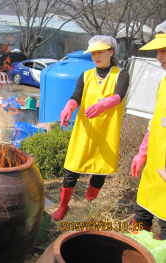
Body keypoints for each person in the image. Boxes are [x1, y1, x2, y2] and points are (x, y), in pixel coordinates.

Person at [53, 35, 129, 221]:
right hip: (84, 131)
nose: (96, 56)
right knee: (71, 169)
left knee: (99, 172)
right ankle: (63, 205)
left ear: (111, 52)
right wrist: (68, 108)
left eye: (100, 52)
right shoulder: (86, 75)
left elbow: (119, 95)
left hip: (106, 132)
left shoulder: (121, 74)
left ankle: (89, 204)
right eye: (93, 53)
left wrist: (104, 104)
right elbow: (76, 96)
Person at [131, 21, 166, 240]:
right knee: (141, 212)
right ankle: (134, 250)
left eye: (164, 50)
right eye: (158, 51)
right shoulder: (164, 81)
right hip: (155, 164)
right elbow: (157, 122)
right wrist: (143, 150)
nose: (159, 57)